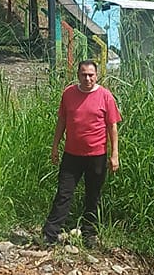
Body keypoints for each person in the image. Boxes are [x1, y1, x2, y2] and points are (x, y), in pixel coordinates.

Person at [43, 59, 120, 245]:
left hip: (97, 155)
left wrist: (114, 154)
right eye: (84, 75)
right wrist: (55, 146)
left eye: (91, 75)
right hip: (72, 155)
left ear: (97, 76)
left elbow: (112, 126)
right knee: (63, 193)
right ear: (78, 75)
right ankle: (50, 234)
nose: (87, 78)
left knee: (93, 196)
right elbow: (62, 121)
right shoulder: (69, 94)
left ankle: (89, 234)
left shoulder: (105, 96)